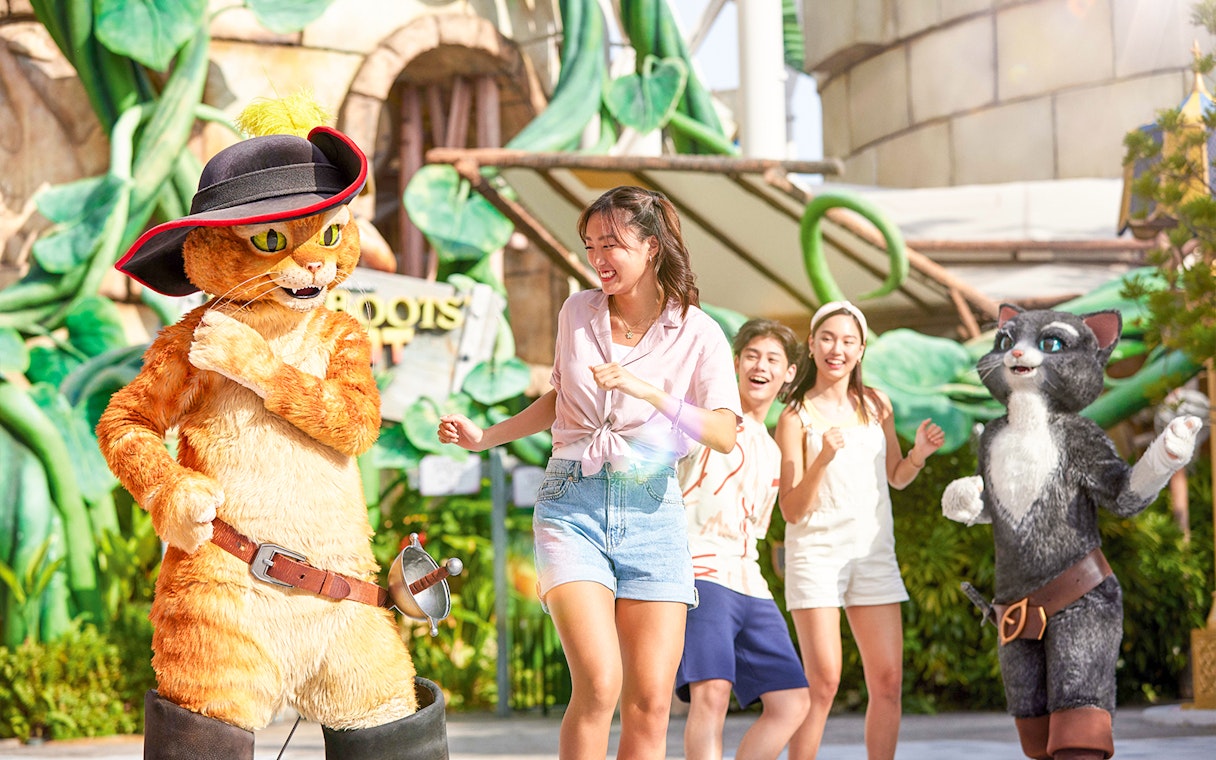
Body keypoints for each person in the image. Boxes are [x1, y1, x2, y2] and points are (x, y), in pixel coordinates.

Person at [437, 186, 741, 760]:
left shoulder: (698, 333)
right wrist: (486, 436)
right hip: (569, 505)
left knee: (650, 703)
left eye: (613, 244)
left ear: (651, 247)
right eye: (590, 245)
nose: (598, 257)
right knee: (600, 684)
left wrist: (652, 393)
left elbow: (724, 432)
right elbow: (562, 400)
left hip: (652, 511)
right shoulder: (577, 311)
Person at [773, 301, 945, 760]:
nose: (837, 349)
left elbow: (896, 475)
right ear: (811, 344)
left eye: (849, 341)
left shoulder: (876, 404)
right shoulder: (795, 417)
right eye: (828, 338)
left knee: (888, 682)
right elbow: (791, 509)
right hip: (816, 555)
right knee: (824, 681)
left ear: (861, 349)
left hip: (872, 554)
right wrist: (822, 459)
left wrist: (919, 455)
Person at [675, 318, 811, 760]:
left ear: (789, 372)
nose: (761, 366)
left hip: (749, 580)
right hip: (700, 572)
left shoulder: (772, 448)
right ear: (736, 363)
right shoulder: (710, 421)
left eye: (773, 359)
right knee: (711, 694)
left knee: (793, 702)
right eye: (752, 355)